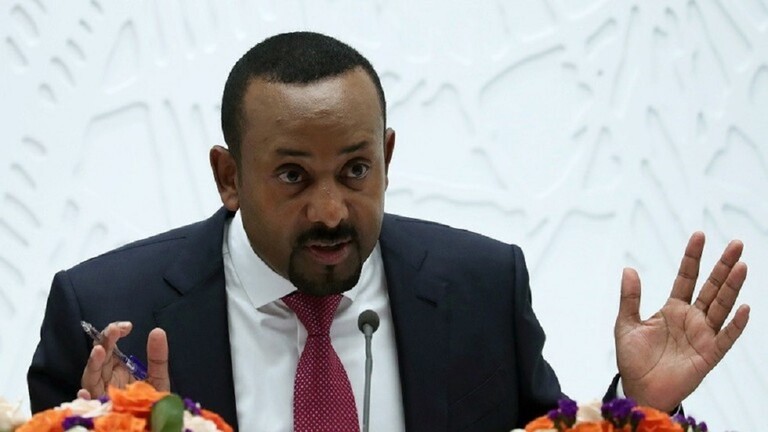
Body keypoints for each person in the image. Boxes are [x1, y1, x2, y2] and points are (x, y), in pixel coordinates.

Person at [27, 31, 750, 431]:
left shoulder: (481, 290)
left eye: (355, 170)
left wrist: (642, 408)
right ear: (229, 176)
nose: (330, 211)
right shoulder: (105, 312)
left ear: (388, 157)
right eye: (292, 176)